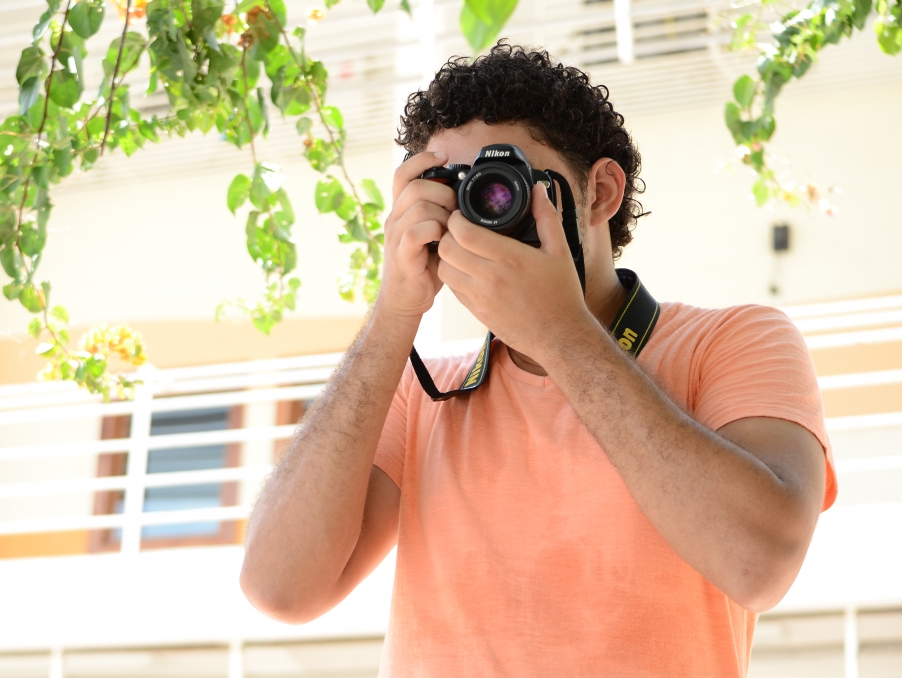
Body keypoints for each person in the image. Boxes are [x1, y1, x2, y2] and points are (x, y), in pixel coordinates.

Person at [240, 43, 837, 677]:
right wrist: (393, 312)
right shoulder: (423, 392)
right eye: (451, 191)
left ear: (601, 192)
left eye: (502, 184)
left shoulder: (733, 343)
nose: (478, 214)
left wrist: (562, 336)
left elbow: (761, 565)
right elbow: (280, 589)